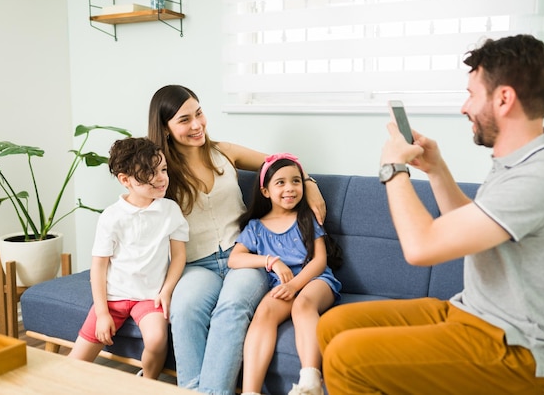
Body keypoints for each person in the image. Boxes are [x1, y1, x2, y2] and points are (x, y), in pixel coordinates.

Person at [316, 34, 544, 395]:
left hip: (518, 349)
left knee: (347, 357)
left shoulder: (539, 178)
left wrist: (393, 169)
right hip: (472, 314)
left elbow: (421, 248)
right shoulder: (519, 163)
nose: (464, 107)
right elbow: (472, 229)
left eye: (472, 94)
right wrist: (437, 169)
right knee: (334, 325)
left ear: (504, 98)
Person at [147, 85, 327, 394]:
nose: (196, 125)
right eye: (184, 120)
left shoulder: (224, 152)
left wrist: (309, 182)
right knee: (185, 309)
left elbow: (281, 163)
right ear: (165, 128)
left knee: (231, 309)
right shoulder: (160, 170)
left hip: (245, 258)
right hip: (195, 264)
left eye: (199, 113)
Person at [68, 137, 188, 380]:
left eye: (163, 169)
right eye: (149, 173)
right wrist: (102, 313)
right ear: (125, 180)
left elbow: (178, 257)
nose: (161, 178)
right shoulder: (112, 217)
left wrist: (166, 291)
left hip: (149, 298)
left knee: (156, 340)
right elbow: (98, 268)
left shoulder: (170, 211)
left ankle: (146, 383)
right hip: (113, 298)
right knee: (74, 364)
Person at [228, 153, 341, 395]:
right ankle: (250, 392)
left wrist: (294, 285)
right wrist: (271, 261)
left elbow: (320, 260)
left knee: (303, 305)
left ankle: (311, 382)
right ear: (265, 191)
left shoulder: (307, 217)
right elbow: (235, 259)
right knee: (264, 312)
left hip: (315, 280)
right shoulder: (256, 227)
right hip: (282, 284)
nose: (290, 188)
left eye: (296, 181)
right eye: (280, 182)